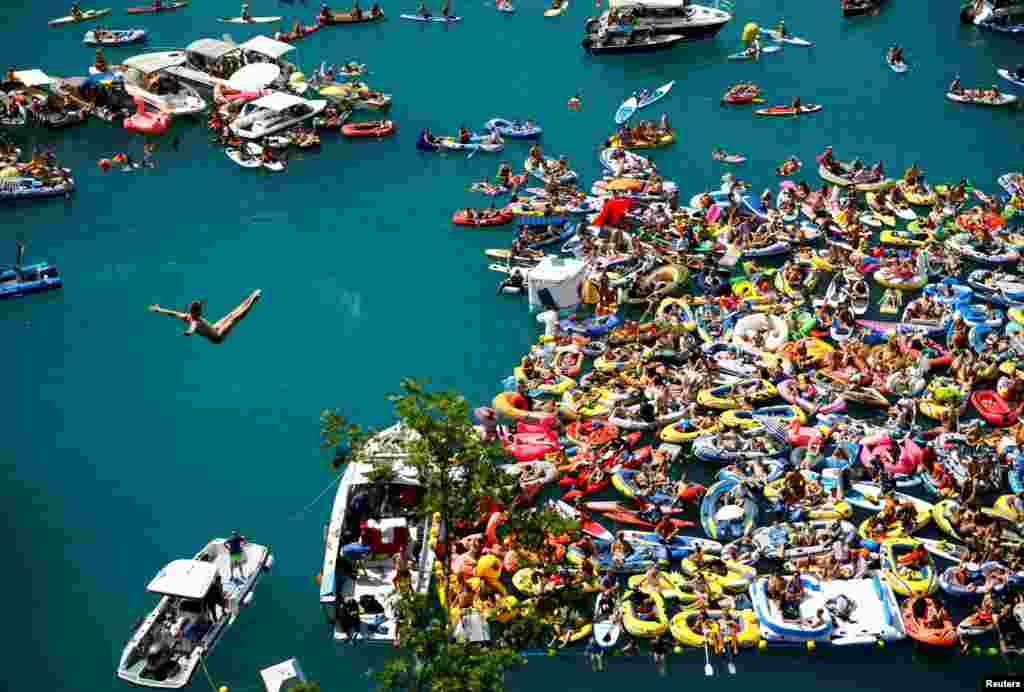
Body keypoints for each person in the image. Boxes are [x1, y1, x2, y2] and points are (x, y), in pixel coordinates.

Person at [148, 289, 262, 344]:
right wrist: (189, 332)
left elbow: (171, 313)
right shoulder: (193, 321)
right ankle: (253, 300)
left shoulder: (186, 315)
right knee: (235, 318)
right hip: (217, 336)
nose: (200, 314)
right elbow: (192, 327)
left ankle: (249, 298)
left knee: (231, 313)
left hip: (214, 327)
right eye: (199, 313)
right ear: (194, 313)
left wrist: (158, 309)